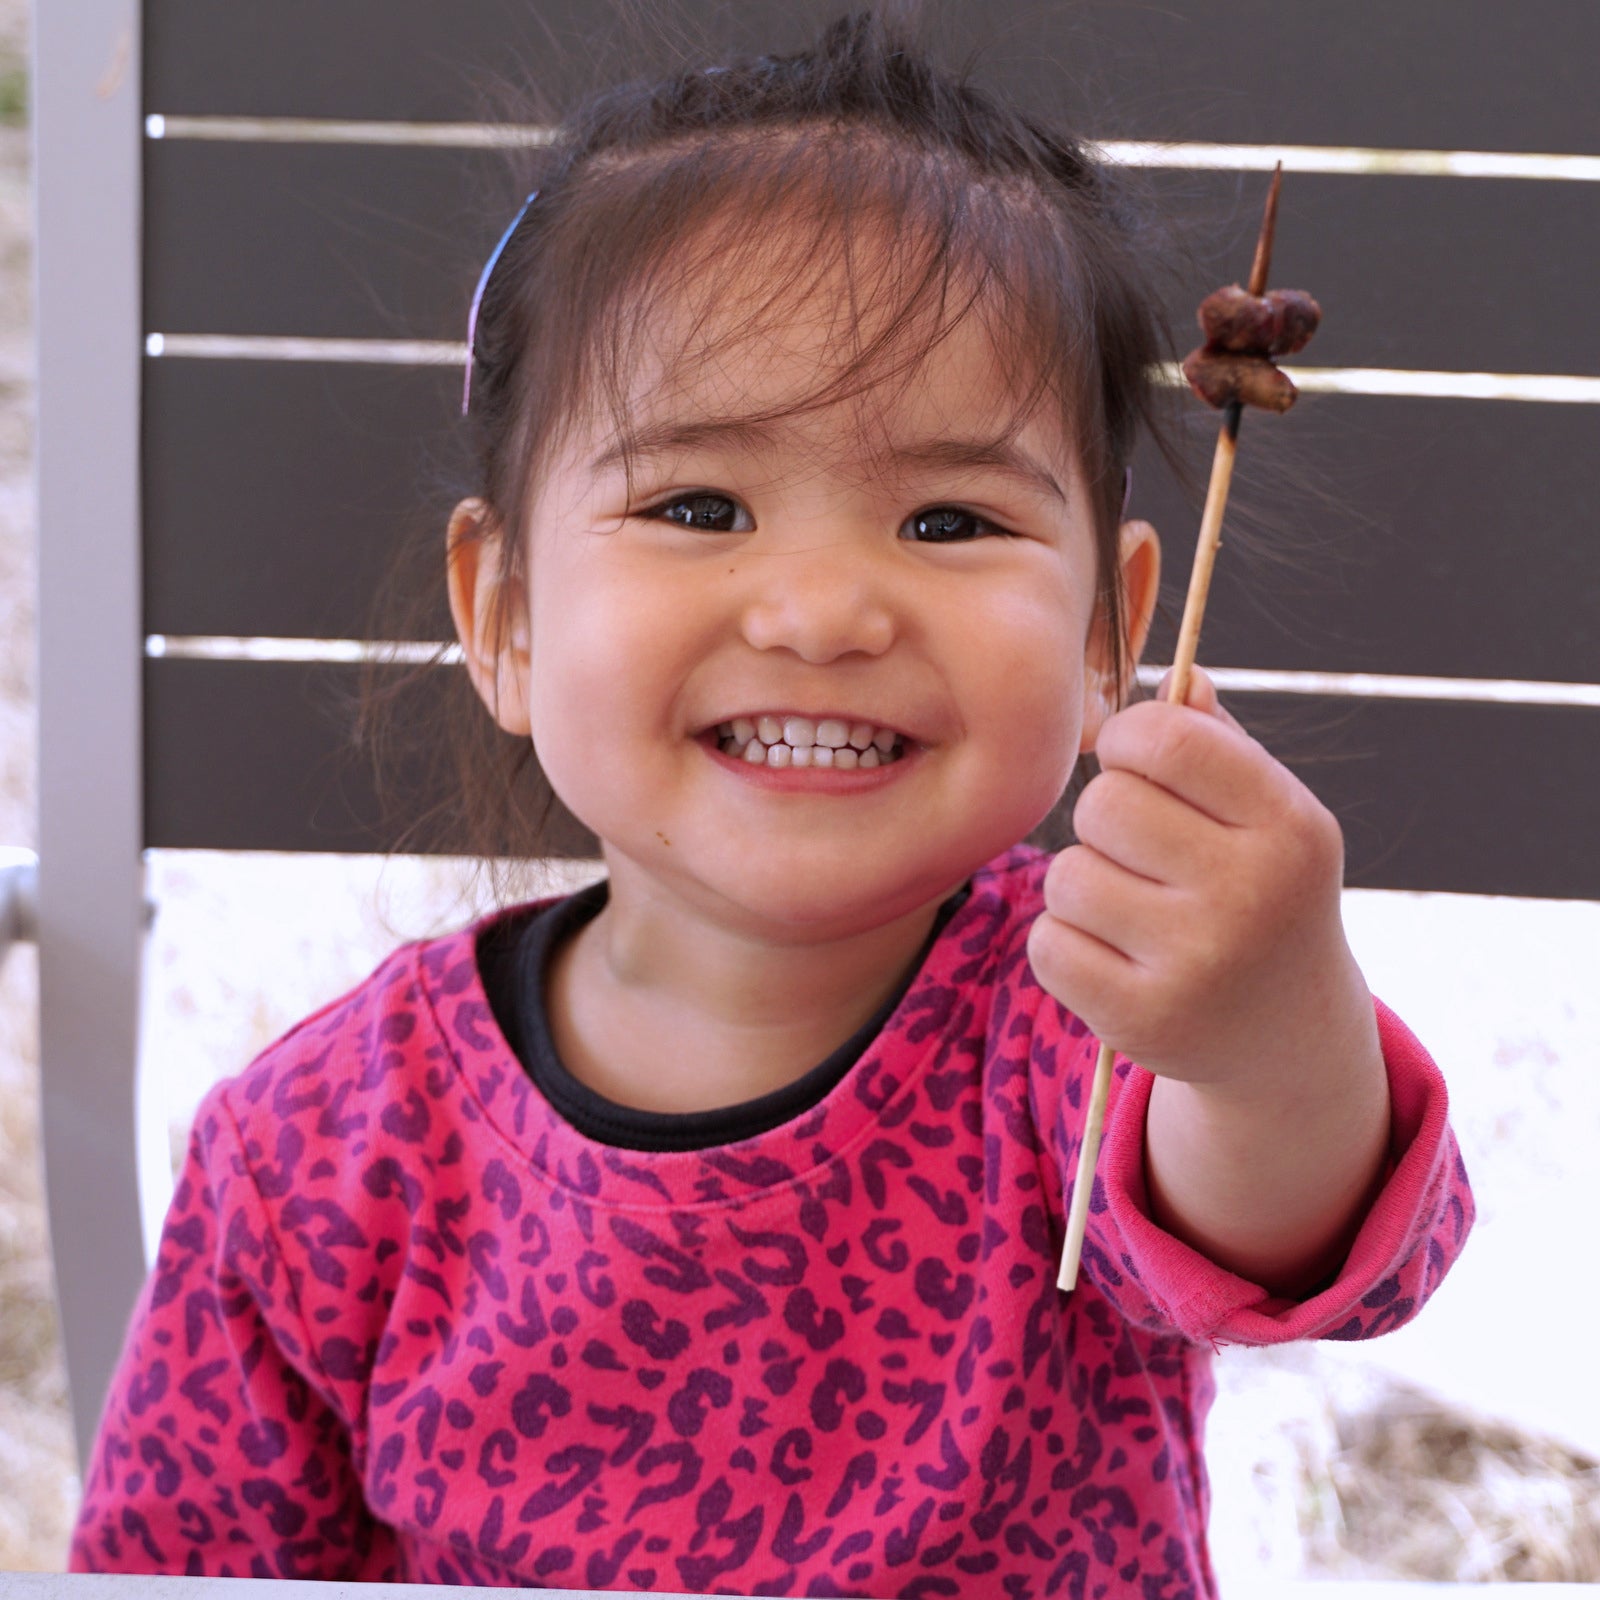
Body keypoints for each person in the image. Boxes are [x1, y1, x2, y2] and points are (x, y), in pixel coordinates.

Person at [71, 9, 1472, 1593]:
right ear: (505, 620)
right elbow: (173, 1569)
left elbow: (1322, 1261)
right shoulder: (321, 1154)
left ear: (1108, 638)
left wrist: (1276, 1041)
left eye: (947, 519)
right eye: (698, 504)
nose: (821, 611)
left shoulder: (1085, 1030)